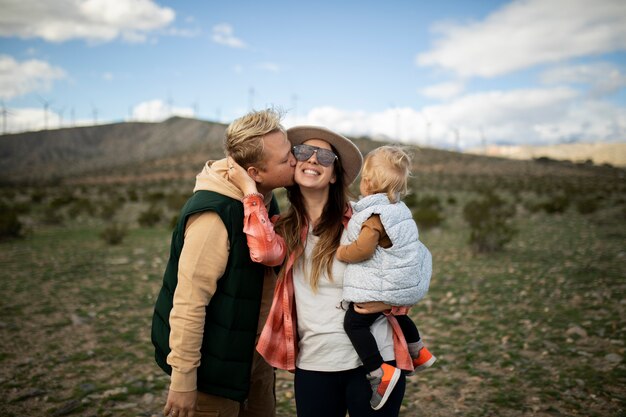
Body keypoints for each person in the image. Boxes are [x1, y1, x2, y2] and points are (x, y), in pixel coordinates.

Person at [227, 126, 413, 417]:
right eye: (303, 152)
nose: (313, 160)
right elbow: (263, 251)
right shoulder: (284, 229)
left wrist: (389, 303)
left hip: (375, 363)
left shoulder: (366, 222)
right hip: (315, 363)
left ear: (335, 174)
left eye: (325, 156)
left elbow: (408, 269)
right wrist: (251, 191)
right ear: (294, 164)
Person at [151, 108, 297, 417]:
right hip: (214, 373)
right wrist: (183, 380)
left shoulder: (265, 198)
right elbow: (189, 302)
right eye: (286, 160)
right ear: (254, 173)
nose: (295, 162)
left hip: (252, 359)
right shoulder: (213, 217)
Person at [336, 145, 436, 410]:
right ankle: (419, 350)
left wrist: (343, 252)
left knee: (355, 323)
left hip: (383, 286)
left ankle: (379, 371)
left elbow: (364, 249)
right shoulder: (399, 210)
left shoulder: (374, 217)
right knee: (396, 315)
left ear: (367, 183)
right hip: (402, 281)